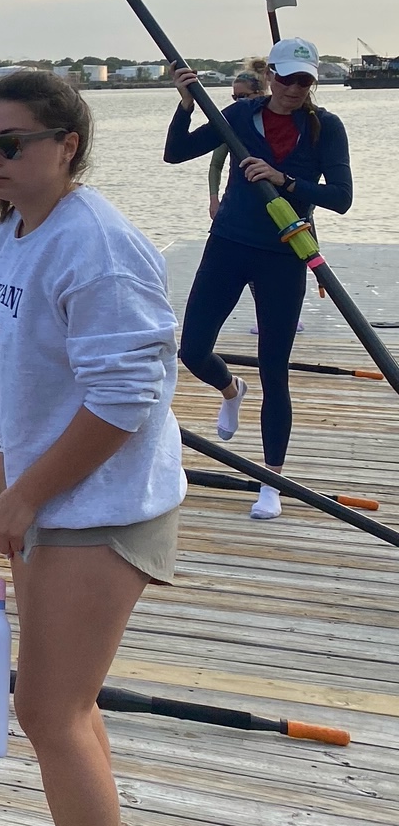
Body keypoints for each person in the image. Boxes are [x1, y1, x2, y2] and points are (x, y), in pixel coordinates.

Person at [0, 71, 184, 826]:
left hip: (103, 506)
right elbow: (9, 365)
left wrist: (28, 499)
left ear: (69, 143)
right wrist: (5, 469)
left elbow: (127, 398)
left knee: (49, 713)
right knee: (64, 709)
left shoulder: (97, 247)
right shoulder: (13, 238)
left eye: (11, 144)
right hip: (56, 504)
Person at [165, 36, 352, 519]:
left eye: (304, 80)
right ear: (270, 74)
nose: (294, 88)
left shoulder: (324, 128)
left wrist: (286, 180)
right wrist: (185, 105)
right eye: (286, 77)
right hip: (228, 243)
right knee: (192, 350)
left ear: (313, 83)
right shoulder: (239, 116)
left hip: (284, 253)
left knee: (275, 368)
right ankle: (231, 391)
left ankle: (272, 481)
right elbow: (176, 153)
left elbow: (342, 197)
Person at [206, 63, 268, 218]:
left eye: (243, 96)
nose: (238, 102)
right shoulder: (231, 123)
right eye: (235, 97)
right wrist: (214, 200)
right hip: (239, 199)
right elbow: (215, 165)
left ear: (260, 93)